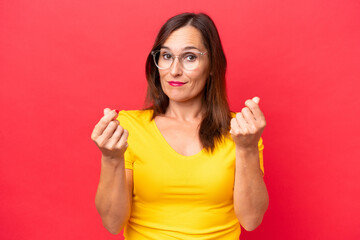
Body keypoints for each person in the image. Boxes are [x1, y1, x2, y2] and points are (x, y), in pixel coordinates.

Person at [91, 12, 269, 240]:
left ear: (212, 65)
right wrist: (111, 159)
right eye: (166, 56)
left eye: (190, 57)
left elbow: (251, 220)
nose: (174, 70)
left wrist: (247, 149)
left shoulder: (241, 131)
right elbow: (112, 223)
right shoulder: (128, 127)